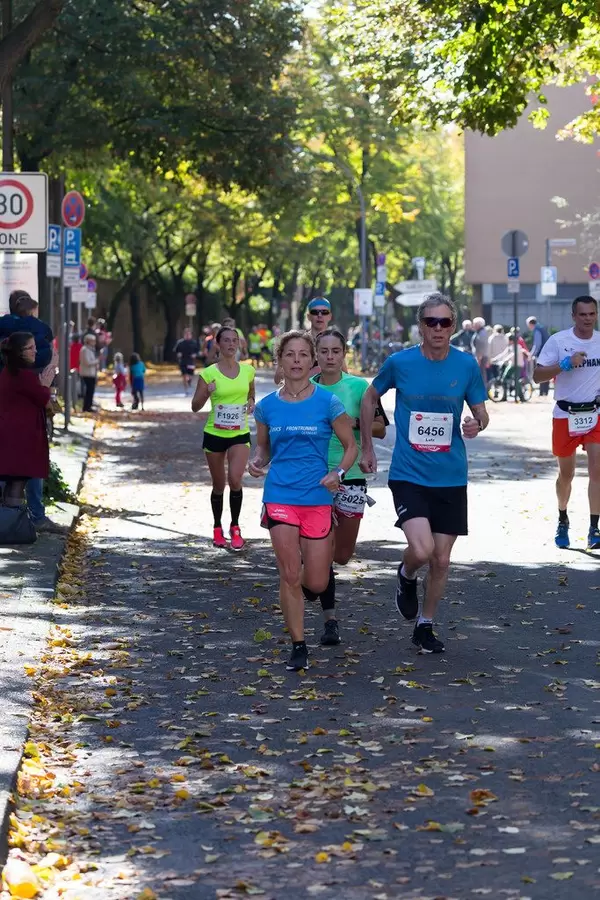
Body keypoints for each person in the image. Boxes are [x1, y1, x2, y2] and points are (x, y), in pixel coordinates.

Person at [359, 293, 489, 654]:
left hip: (451, 475)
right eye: (431, 322)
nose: (438, 328)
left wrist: (477, 423)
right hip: (409, 473)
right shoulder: (400, 363)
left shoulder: (465, 365)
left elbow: (481, 411)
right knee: (422, 549)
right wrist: (367, 447)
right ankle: (406, 574)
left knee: (442, 560)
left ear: (453, 326)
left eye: (444, 322)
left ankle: (425, 625)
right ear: (421, 326)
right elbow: (369, 397)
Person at [249, 330, 357, 671]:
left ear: (312, 361)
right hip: (280, 494)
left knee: (317, 582)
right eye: (289, 354)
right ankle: (298, 644)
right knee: (289, 574)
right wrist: (256, 462)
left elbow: (350, 446)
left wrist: (338, 473)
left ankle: (306, 591)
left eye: (302, 355)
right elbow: (263, 448)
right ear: (280, 360)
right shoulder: (266, 407)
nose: (296, 361)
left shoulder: (328, 402)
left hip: (317, 497)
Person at [308, 329, 388, 645]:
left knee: (342, 555)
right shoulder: (305, 387)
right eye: (324, 351)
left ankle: (312, 577)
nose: (329, 357)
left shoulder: (359, 388)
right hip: (314, 476)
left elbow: (381, 428)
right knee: (323, 549)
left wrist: (351, 423)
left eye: (335, 351)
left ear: (344, 354)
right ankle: (330, 621)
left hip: (350, 475)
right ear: (316, 354)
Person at [533, 296, 600, 550]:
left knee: (597, 471)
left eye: (592, 314)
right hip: (565, 414)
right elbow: (537, 375)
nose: (587, 319)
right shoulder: (559, 341)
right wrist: (564, 364)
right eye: (582, 314)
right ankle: (563, 516)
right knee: (566, 475)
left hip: (594, 414)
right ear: (573, 316)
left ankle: (594, 529)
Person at [192, 326, 255, 550]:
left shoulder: (248, 371)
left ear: (239, 344)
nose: (231, 344)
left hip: (239, 433)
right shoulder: (209, 373)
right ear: (218, 344)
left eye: (234, 340)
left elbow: (251, 392)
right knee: (219, 485)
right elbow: (195, 406)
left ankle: (235, 527)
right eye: (226, 340)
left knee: (235, 479)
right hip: (215, 433)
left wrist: (251, 402)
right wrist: (206, 391)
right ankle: (217, 527)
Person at [0, 333, 55, 515]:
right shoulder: (24, 376)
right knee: (17, 484)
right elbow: (42, 398)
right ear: (19, 352)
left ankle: (9, 520)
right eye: (30, 348)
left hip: (11, 435)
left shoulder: (9, 372)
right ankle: (12, 522)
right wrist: (45, 384)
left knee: (12, 483)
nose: (35, 351)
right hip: (20, 439)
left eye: (34, 347)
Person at [491, 334, 530, 402]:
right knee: (504, 379)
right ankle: (504, 396)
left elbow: (512, 355)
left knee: (516, 381)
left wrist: (505, 360)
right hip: (511, 365)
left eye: (508, 340)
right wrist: (495, 359)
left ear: (511, 340)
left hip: (517, 366)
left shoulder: (518, 347)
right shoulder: (510, 347)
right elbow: (503, 354)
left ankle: (521, 397)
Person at [527, 316, 550, 397]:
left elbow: (537, 344)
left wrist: (531, 354)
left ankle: (541, 392)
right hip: (548, 354)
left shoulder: (537, 330)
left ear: (531, 324)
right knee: (546, 373)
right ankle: (545, 392)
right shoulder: (542, 328)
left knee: (541, 373)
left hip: (541, 354)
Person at [174, 328, 199, 395]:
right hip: (183, 361)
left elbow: (197, 351)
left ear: (191, 335)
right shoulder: (180, 343)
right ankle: (186, 390)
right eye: (186, 334)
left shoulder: (194, 343)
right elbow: (176, 350)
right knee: (184, 375)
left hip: (191, 361)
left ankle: (189, 381)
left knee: (190, 375)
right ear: (184, 335)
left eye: (189, 334)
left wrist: (195, 354)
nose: (187, 335)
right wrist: (178, 353)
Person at [79, 334, 98, 413]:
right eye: (93, 341)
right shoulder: (85, 350)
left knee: (91, 390)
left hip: (91, 373)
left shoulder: (90, 349)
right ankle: (87, 407)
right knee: (89, 390)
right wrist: (96, 361)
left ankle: (89, 405)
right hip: (87, 373)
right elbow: (87, 362)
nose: (94, 342)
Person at [471, 316, 491, 383]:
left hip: (481, 356)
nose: (473, 325)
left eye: (474, 324)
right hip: (480, 356)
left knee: (481, 373)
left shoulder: (482, 332)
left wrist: (479, 357)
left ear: (478, 324)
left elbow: (482, 345)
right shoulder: (479, 332)